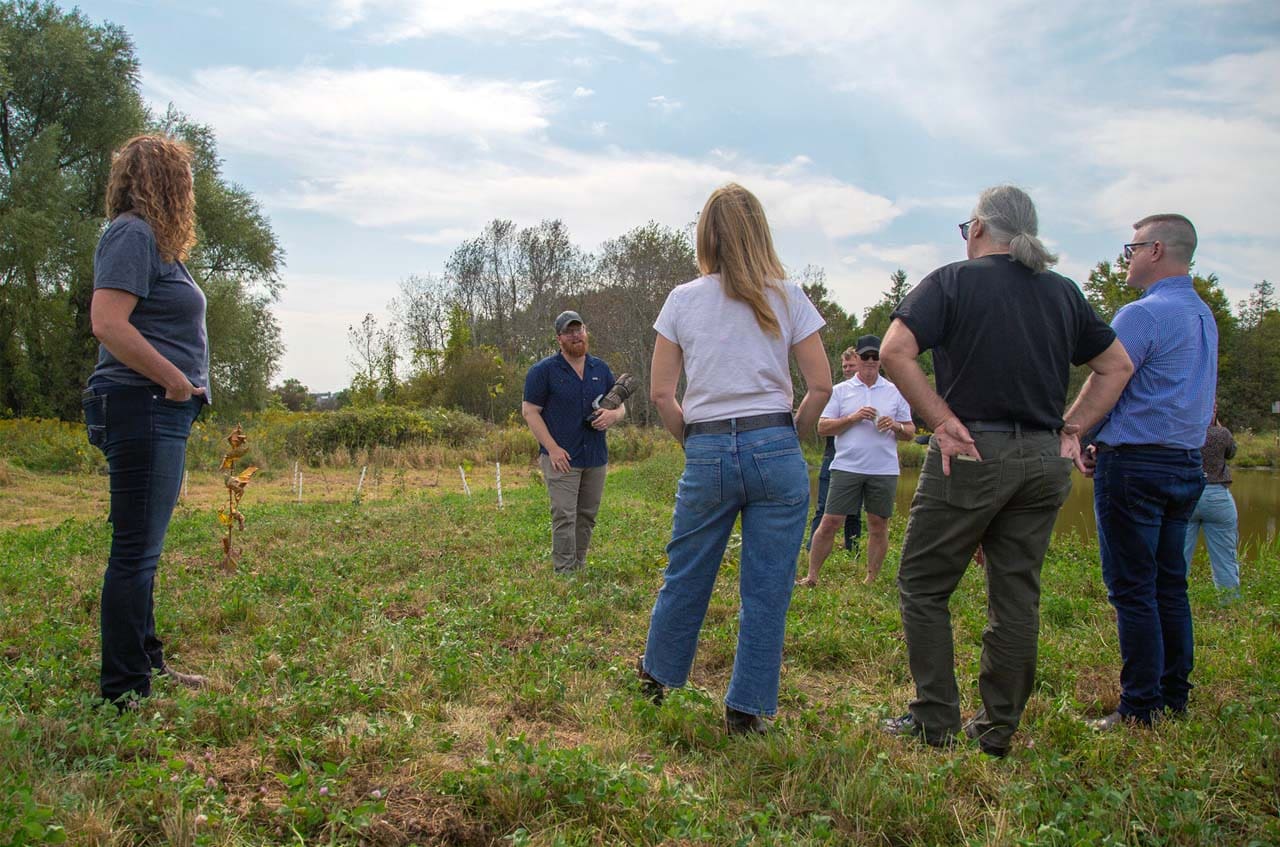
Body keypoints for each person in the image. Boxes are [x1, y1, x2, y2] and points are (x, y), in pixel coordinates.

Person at [879, 185, 1132, 756]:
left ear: (977, 229)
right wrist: (1070, 429)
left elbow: (895, 351)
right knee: (1016, 596)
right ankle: (997, 730)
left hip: (972, 452)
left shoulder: (952, 281)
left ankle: (934, 719)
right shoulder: (1063, 293)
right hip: (1043, 462)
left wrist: (940, 419)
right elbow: (1116, 366)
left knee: (923, 585)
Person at [637, 183, 832, 735]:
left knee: (687, 572)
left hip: (708, 445)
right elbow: (820, 387)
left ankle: (657, 679)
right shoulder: (789, 296)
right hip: (775, 443)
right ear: (761, 232)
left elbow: (660, 395)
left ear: (707, 236)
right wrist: (787, 436)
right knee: (768, 588)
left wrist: (695, 443)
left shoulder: (682, 300)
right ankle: (746, 712)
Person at [82, 135, 212, 707]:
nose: (189, 189)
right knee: (135, 552)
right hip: (143, 404)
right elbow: (108, 323)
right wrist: (175, 381)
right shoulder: (132, 233)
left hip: (156, 407)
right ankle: (124, 689)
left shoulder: (154, 245)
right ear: (164, 182)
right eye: (183, 178)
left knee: (145, 549)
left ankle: (148, 664)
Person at [1079, 213, 1217, 730]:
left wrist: (1073, 433)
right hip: (1185, 463)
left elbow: (1106, 382)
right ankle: (1174, 697)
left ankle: (1139, 708)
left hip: (1136, 465)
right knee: (1168, 586)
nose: (1127, 257)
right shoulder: (1202, 315)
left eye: (1132, 247)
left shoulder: (1143, 315)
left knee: (1133, 589)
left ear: (1156, 250)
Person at [798, 335, 914, 587]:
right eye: (866, 357)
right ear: (858, 359)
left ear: (880, 361)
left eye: (875, 357)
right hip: (847, 466)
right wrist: (853, 417)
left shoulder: (895, 391)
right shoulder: (840, 391)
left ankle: (870, 578)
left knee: (878, 523)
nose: (870, 361)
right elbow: (822, 427)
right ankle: (812, 576)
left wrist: (894, 425)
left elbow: (910, 432)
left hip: (883, 469)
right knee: (830, 521)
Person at [521, 311, 625, 574]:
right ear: (559, 339)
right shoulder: (543, 371)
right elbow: (530, 411)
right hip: (562, 457)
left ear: (586, 332)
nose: (576, 335)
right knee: (564, 516)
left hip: (595, 457)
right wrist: (552, 449)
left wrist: (612, 416)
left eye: (579, 330)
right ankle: (564, 573)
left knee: (586, 516)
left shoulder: (600, 369)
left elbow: (620, 407)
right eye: (569, 332)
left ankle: (578, 566)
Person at [805, 351, 862, 557]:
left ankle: (852, 553)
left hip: (857, 460)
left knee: (854, 513)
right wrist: (850, 419)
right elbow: (823, 426)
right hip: (831, 455)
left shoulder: (870, 395)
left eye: (851, 366)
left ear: (861, 365)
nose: (847, 370)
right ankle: (812, 550)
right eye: (845, 366)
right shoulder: (836, 393)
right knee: (822, 507)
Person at [1183, 405, 1241, 600]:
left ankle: (1171, 602)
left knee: (1177, 555)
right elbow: (1231, 452)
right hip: (1217, 496)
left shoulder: (1183, 431)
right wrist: (1217, 424)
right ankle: (1229, 603)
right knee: (1225, 558)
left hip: (1186, 495)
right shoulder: (1221, 434)